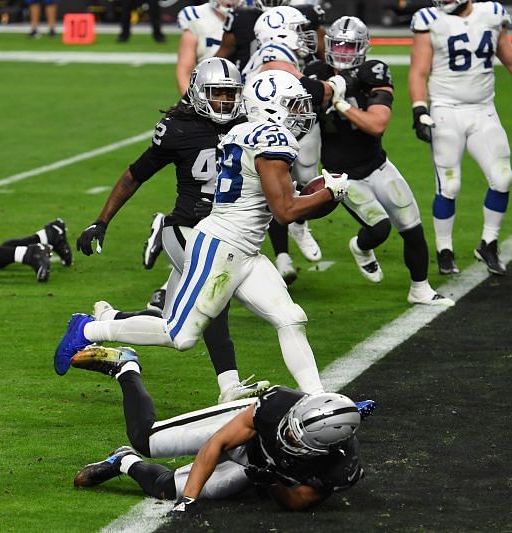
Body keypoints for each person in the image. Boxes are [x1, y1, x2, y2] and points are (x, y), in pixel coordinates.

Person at [56, 70, 349, 396]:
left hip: (244, 249)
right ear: (271, 107)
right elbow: (285, 212)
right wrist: (330, 192)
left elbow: (285, 205)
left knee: (290, 317)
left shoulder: (243, 132)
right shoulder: (270, 139)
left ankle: (318, 397)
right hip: (220, 246)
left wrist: (326, 196)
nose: (300, 113)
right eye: (292, 105)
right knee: (178, 335)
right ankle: (89, 328)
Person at [74, 58, 269, 404]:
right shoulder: (179, 129)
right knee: (215, 297)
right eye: (216, 93)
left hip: (225, 232)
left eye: (230, 93)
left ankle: (105, 319)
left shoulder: (249, 125)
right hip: (186, 229)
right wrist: (101, 221)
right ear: (197, 93)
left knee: (170, 321)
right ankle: (230, 388)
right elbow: (135, 174)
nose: (224, 101)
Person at [67, 346, 364, 512]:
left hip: (259, 467)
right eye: (291, 427)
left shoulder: (340, 468)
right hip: (245, 432)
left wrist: (273, 482)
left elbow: (299, 501)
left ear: (320, 449)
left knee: (167, 488)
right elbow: (218, 442)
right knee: (147, 438)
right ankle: (126, 366)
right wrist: (189, 502)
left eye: (295, 438)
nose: (287, 433)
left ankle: (123, 461)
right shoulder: (278, 406)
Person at [304, 16, 453, 307]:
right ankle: (361, 247)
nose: (343, 52)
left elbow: (377, 124)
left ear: (362, 48)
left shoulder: (373, 72)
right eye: (339, 46)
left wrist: (341, 103)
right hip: (341, 174)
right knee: (379, 229)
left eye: (350, 47)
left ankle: (420, 289)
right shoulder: (314, 73)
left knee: (412, 227)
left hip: (377, 164)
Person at [409, 0, 512, 276]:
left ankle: (488, 243)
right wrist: (419, 108)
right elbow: (419, 70)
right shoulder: (429, 20)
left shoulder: (491, 14)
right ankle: (445, 249)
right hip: (445, 110)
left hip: (483, 110)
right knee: (449, 185)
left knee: (503, 178)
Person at [240, 4, 327, 282]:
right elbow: (310, 91)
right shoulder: (274, 54)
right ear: (281, 34)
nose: (305, 35)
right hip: (270, 127)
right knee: (283, 186)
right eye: (298, 29)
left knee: (278, 189)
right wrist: (337, 85)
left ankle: (287, 243)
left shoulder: (273, 53)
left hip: (264, 126)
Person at [175, 0, 242, 94]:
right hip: (209, 91)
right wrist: (192, 105)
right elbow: (185, 73)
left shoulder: (254, 16)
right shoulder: (195, 17)